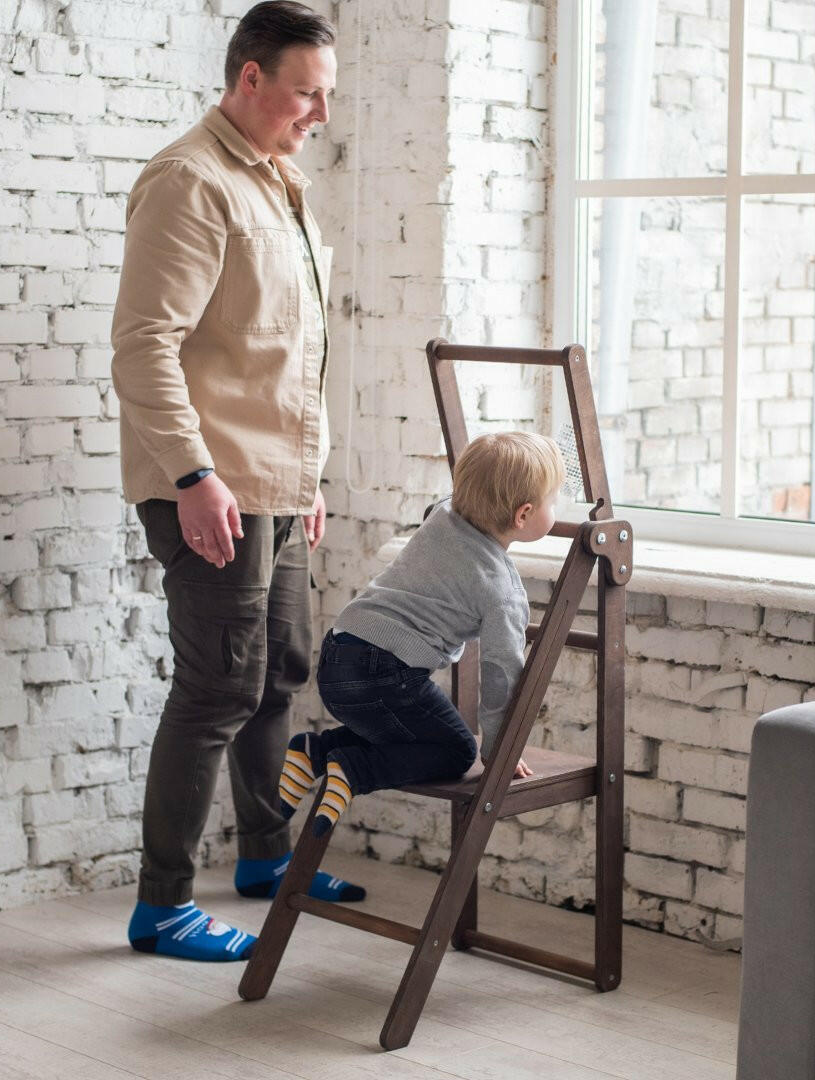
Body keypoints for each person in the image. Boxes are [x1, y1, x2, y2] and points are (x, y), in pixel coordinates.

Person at [111, 1, 364, 965]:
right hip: (207, 483)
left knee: (282, 674)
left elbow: (282, 353)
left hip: (275, 481)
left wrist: (307, 474)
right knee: (218, 686)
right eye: (307, 91)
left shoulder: (280, 184)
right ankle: (162, 904)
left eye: (327, 94)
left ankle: (266, 855)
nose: (321, 114)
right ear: (248, 78)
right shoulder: (190, 181)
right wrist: (193, 474)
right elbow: (144, 346)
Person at [277, 432, 566, 835]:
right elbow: (501, 674)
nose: (558, 507)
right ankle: (356, 769)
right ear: (523, 515)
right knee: (457, 750)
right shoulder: (501, 591)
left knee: (409, 733)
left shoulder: (442, 514)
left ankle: (316, 750)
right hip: (384, 675)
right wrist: (499, 749)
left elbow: (451, 500)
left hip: (337, 655)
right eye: (554, 501)